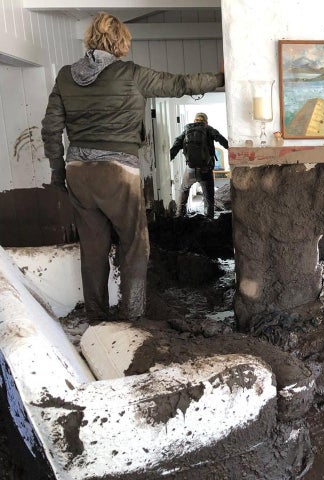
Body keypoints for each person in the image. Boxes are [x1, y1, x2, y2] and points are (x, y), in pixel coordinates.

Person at [40, 12, 225, 322]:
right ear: (121, 42)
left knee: (93, 247)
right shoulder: (131, 74)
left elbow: (50, 129)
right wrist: (220, 78)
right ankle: (132, 316)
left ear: (90, 39)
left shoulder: (64, 76)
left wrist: (59, 175)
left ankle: (97, 318)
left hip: (79, 173)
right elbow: (179, 84)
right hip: (118, 172)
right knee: (135, 244)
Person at [169, 112, 229, 218]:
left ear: (194, 120)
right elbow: (221, 139)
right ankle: (209, 219)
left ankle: (179, 216)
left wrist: (169, 157)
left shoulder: (187, 130)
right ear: (206, 121)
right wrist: (230, 148)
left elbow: (177, 143)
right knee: (209, 197)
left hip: (190, 169)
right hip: (205, 170)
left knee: (183, 190)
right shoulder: (208, 128)